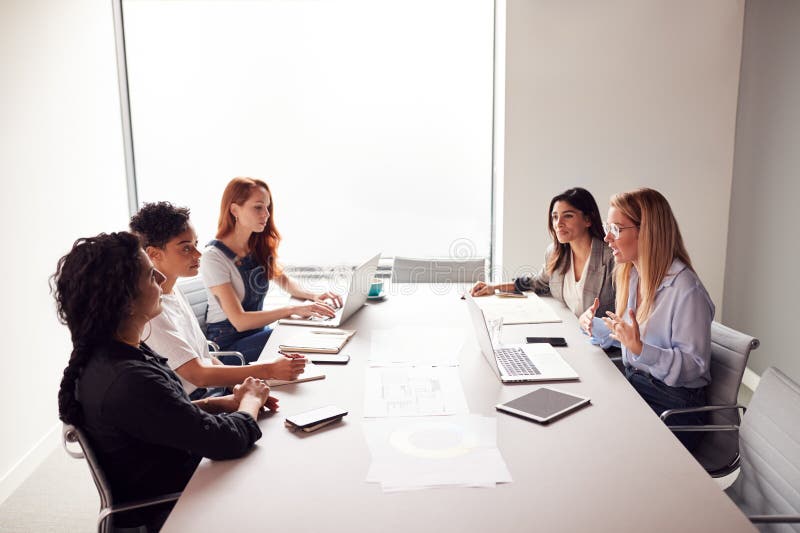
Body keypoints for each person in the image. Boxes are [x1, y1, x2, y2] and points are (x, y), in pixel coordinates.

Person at [52, 232, 278, 530]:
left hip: (184, 480)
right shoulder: (127, 379)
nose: (160, 277)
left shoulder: (114, 353)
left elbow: (164, 412)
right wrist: (250, 401)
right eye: (149, 275)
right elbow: (224, 441)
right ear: (125, 303)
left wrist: (220, 403)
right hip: (175, 507)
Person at [130, 202, 307, 398]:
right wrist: (268, 371)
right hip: (196, 402)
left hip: (215, 391)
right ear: (154, 254)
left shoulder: (174, 291)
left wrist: (238, 386)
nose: (198, 254)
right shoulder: (151, 311)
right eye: (186, 249)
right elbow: (198, 375)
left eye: (196, 244)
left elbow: (206, 356)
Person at [600, 188, 714, 450]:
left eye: (616, 229)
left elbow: (695, 366)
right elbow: (632, 337)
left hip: (676, 408)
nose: (607, 237)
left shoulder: (687, 290)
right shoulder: (634, 275)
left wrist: (641, 349)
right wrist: (597, 326)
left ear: (647, 232)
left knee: (604, 440)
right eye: (608, 227)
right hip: (640, 386)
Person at [201, 177, 343, 362]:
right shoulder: (213, 257)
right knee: (295, 336)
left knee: (305, 330)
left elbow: (285, 282)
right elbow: (240, 321)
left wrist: (313, 297)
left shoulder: (255, 246)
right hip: (228, 349)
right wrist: (291, 309)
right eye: (258, 207)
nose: (266, 214)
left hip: (257, 334)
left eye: (267, 207)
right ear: (235, 209)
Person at [471, 187, 614, 324]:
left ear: (588, 220)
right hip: (571, 331)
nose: (558, 223)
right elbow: (536, 284)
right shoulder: (555, 253)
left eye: (568, 216)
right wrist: (493, 287)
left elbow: (622, 314)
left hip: (604, 344)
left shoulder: (611, 258)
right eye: (555, 217)